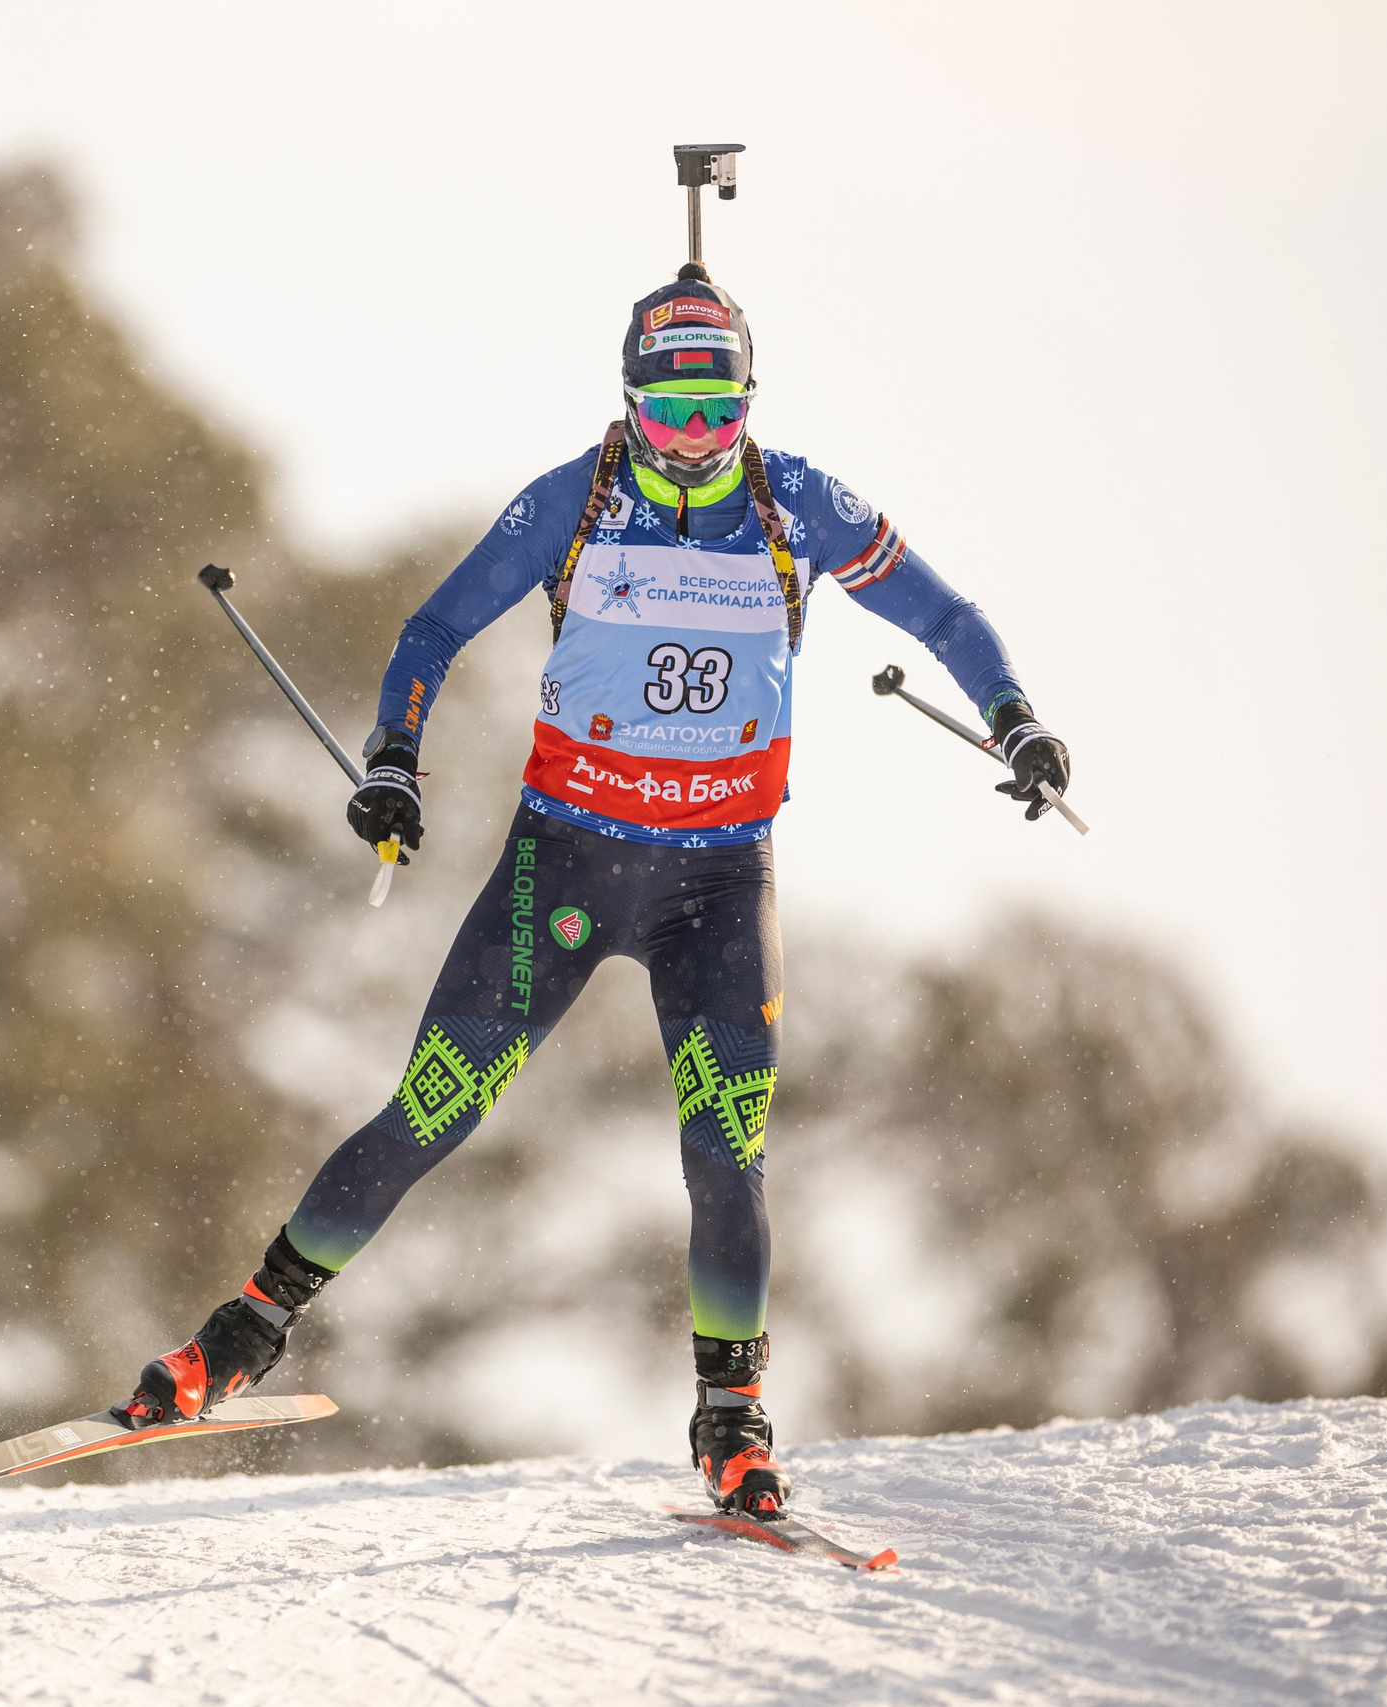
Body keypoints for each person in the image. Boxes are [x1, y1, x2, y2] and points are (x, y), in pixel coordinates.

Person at [115, 263, 1073, 1516]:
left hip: (719, 888)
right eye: (667, 411)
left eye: (716, 409)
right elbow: (431, 630)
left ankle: (733, 1419)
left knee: (727, 1154)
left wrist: (1015, 722)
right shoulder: (579, 498)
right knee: (431, 1112)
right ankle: (240, 1335)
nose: (691, 438)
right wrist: (395, 767)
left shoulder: (799, 506)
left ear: (748, 402)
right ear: (627, 403)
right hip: (563, 868)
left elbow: (944, 616)